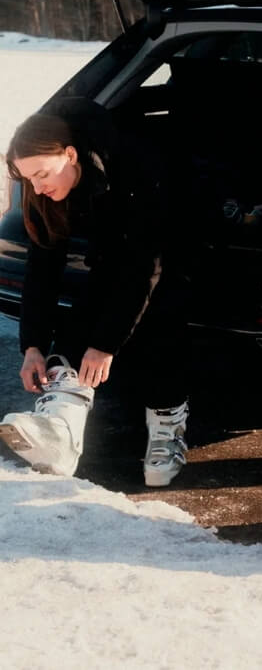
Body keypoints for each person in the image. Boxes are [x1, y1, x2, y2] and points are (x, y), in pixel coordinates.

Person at [0, 97, 190, 486]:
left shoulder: (134, 164)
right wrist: (32, 346)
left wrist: (106, 344)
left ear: (70, 155)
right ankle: (60, 430)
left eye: (42, 174)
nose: (37, 186)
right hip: (110, 257)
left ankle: (168, 422)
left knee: (155, 323)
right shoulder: (44, 192)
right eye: (28, 179)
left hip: (171, 252)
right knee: (77, 327)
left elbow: (144, 266)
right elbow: (42, 270)